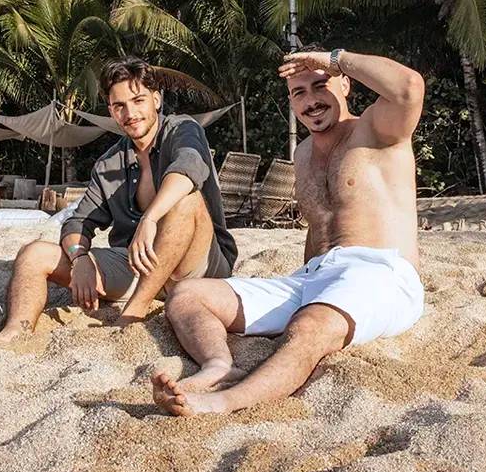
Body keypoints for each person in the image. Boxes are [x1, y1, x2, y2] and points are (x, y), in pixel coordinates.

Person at [152, 46, 425, 415]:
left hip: (379, 273)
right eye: (299, 93)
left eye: (320, 85)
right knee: (187, 295)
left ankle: (221, 402)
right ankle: (218, 365)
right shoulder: (303, 154)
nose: (311, 101)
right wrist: (305, 280)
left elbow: (409, 87)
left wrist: (333, 59)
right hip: (315, 276)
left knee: (309, 326)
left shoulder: (376, 130)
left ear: (345, 84)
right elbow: (319, 228)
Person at [0, 59, 237, 343]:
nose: (130, 113)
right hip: (138, 266)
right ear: (111, 111)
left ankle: (134, 312)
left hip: (197, 269)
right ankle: (14, 335)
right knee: (33, 254)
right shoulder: (108, 163)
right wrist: (79, 257)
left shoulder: (183, 129)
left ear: (156, 100)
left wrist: (150, 218)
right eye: (119, 106)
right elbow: (78, 222)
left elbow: (189, 168)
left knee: (185, 200)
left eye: (138, 100)